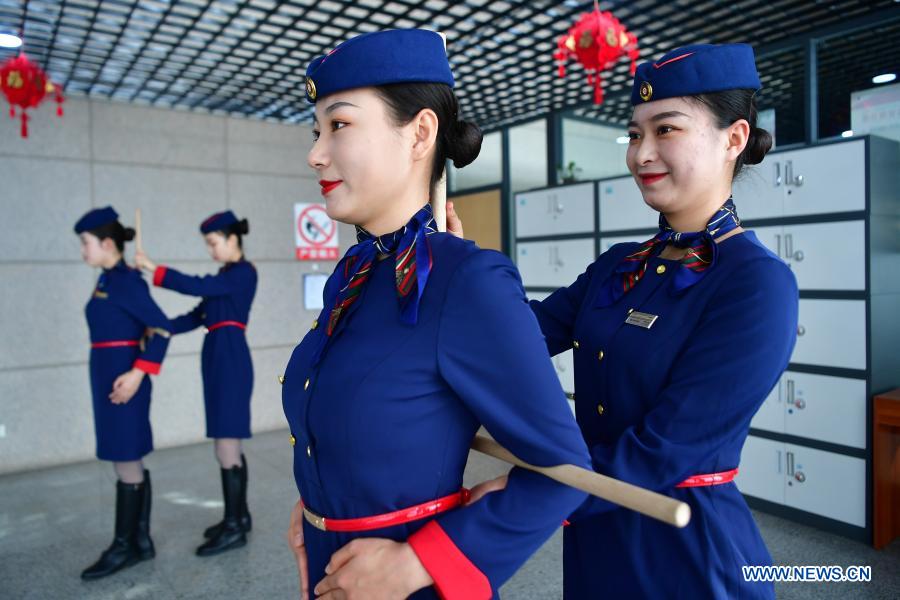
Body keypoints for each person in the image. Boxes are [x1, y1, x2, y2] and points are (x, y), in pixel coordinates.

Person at [450, 43, 798, 599]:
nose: (641, 154)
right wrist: (459, 271)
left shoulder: (756, 283)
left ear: (734, 139)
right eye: (635, 135)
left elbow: (664, 449)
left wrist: (529, 497)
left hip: (687, 549)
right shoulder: (619, 266)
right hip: (595, 537)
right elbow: (520, 339)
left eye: (666, 130)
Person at [282, 29, 592, 599]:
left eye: (340, 125)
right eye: (316, 129)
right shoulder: (353, 273)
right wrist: (317, 509)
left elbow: (564, 472)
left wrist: (415, 565)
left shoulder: (467, 280)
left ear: (421, 132)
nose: (315, 152)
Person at [135, 211, 257, 556]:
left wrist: (154, 269)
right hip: (219, 357)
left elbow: (200, 286)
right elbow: (196, 314)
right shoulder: (226, 277)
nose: (211, 250)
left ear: (233, 239)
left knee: (226, 442)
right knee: (225, 439)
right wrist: (160, 326)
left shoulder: (243, 273)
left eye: (213, 243)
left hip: (230, 358)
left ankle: (234, 526)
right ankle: (239, 516)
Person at [75, 206, 172, 580]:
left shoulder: (127, 281)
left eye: (86, 243)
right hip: (109, 378)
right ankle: (140, 540)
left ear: (106, 243)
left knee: (125, 458)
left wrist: (136, 374)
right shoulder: (108, 280)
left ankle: (124, 546)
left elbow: (161, 328)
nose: (83, 250)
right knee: (125, 456)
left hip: (123, 383)